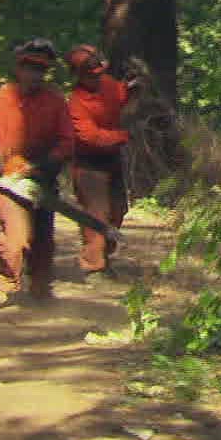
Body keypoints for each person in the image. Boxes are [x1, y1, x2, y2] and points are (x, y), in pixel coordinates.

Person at [0, 39, 75, 308]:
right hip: (9, 181)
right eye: (30, 68)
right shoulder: (1, 99)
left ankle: (41, 287)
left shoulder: (55, 101)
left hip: (42, 179)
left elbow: (67, 140)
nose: (34, 74)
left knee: (43, 239)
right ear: (19, 68)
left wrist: (46, 163)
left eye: (40, 69)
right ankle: (4, 283)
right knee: (16, 237)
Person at [63, 44, 137, 282]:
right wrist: (123, 136)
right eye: (91, 75)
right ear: (79, 76)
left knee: (118, 209)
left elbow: (120, 96)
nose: (97, 78)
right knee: (96, 215)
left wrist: (132, 88)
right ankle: (93, 266)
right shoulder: (76, 102)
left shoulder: (108, 84)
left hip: (111, 158)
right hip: (88, 163)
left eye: (99, 73)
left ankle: (105, 256)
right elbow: (90, 136)